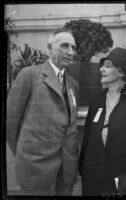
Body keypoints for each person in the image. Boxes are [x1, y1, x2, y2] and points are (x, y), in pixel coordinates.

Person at [7, 28, 79, 196]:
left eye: (73, 47)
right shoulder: (29, 75)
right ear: (49, 48)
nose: (70, 52)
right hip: (35, 170)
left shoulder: (73, 84)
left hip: (66, 171)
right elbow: (10, 122)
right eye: (64, 46)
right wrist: (25, 155)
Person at [79, 47, 126, 196]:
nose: (101, 70)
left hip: (123, 180)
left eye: (108, 65)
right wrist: (82, 167)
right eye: (102, 66)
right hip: (92, 179)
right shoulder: (97, 100)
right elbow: (87, 137)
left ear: (121, 71)